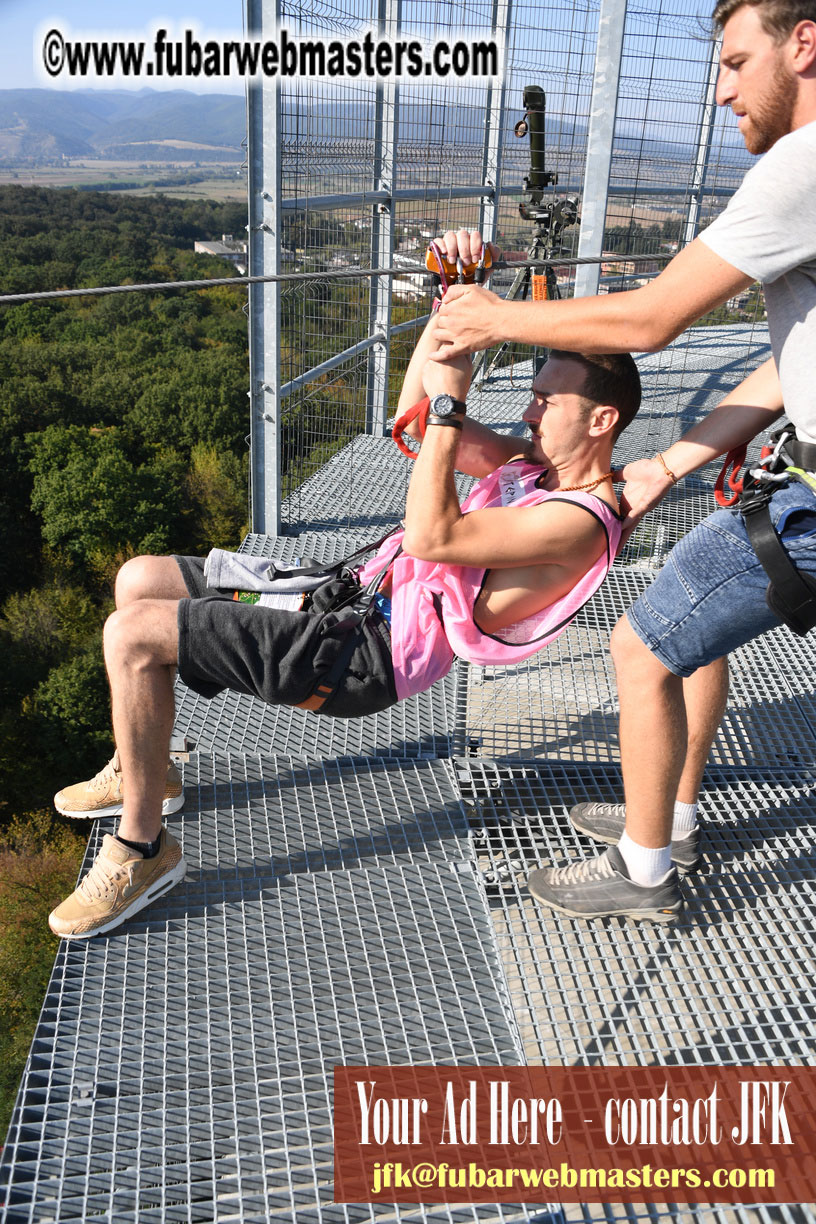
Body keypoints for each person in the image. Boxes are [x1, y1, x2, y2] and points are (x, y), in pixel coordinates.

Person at [48, 300, 642, 939]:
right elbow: (414, 424)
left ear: (601, 419)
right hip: (348, 596)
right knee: (140, 579)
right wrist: (449, 316)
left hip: (366, 655)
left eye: (547, 400)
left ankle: (142, 850)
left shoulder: (578, 519)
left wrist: (450, 408)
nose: (529, 411)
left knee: (132, 635)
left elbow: (431, 535)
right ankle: (151, 769)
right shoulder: (531, 468)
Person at [433, 0, 816, 921]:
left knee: (642, 645)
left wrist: (492, 318)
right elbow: (787, 360)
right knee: (695, 619)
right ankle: (671, 814)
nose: (720, 91)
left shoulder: (804, 164)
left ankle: (646, 873)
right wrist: (670, 464)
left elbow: (650, 319)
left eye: (733, 61)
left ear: (806, 43)